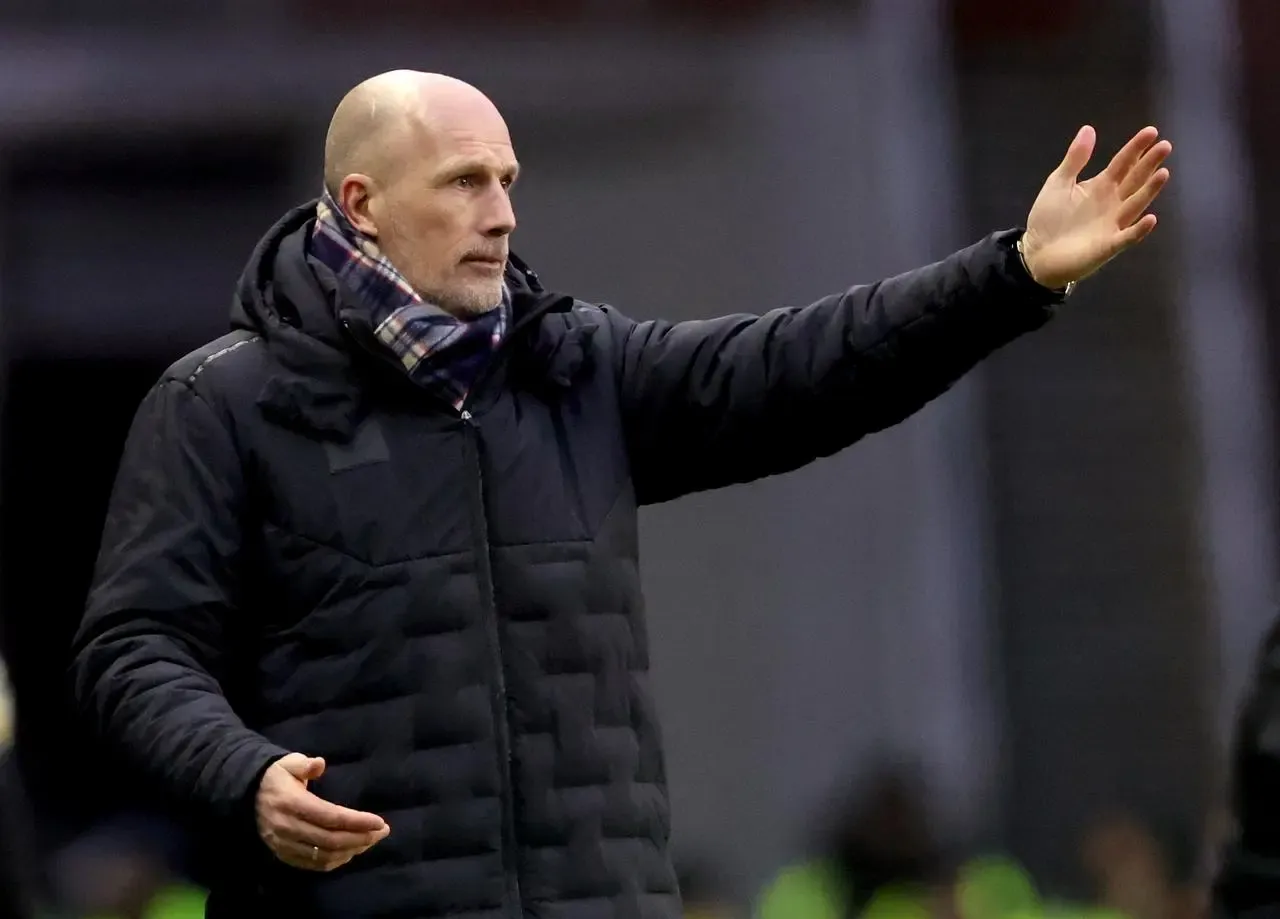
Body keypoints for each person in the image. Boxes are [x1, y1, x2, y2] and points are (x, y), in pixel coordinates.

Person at [70, 70, 1171, 919]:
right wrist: (244, 773)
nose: (500, 212)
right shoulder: (225, 403)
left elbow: (805, 367)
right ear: (360, 202)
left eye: (507, 180)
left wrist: (1011, 276)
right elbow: (131, 650)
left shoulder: (576, 372)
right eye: (463, 182)